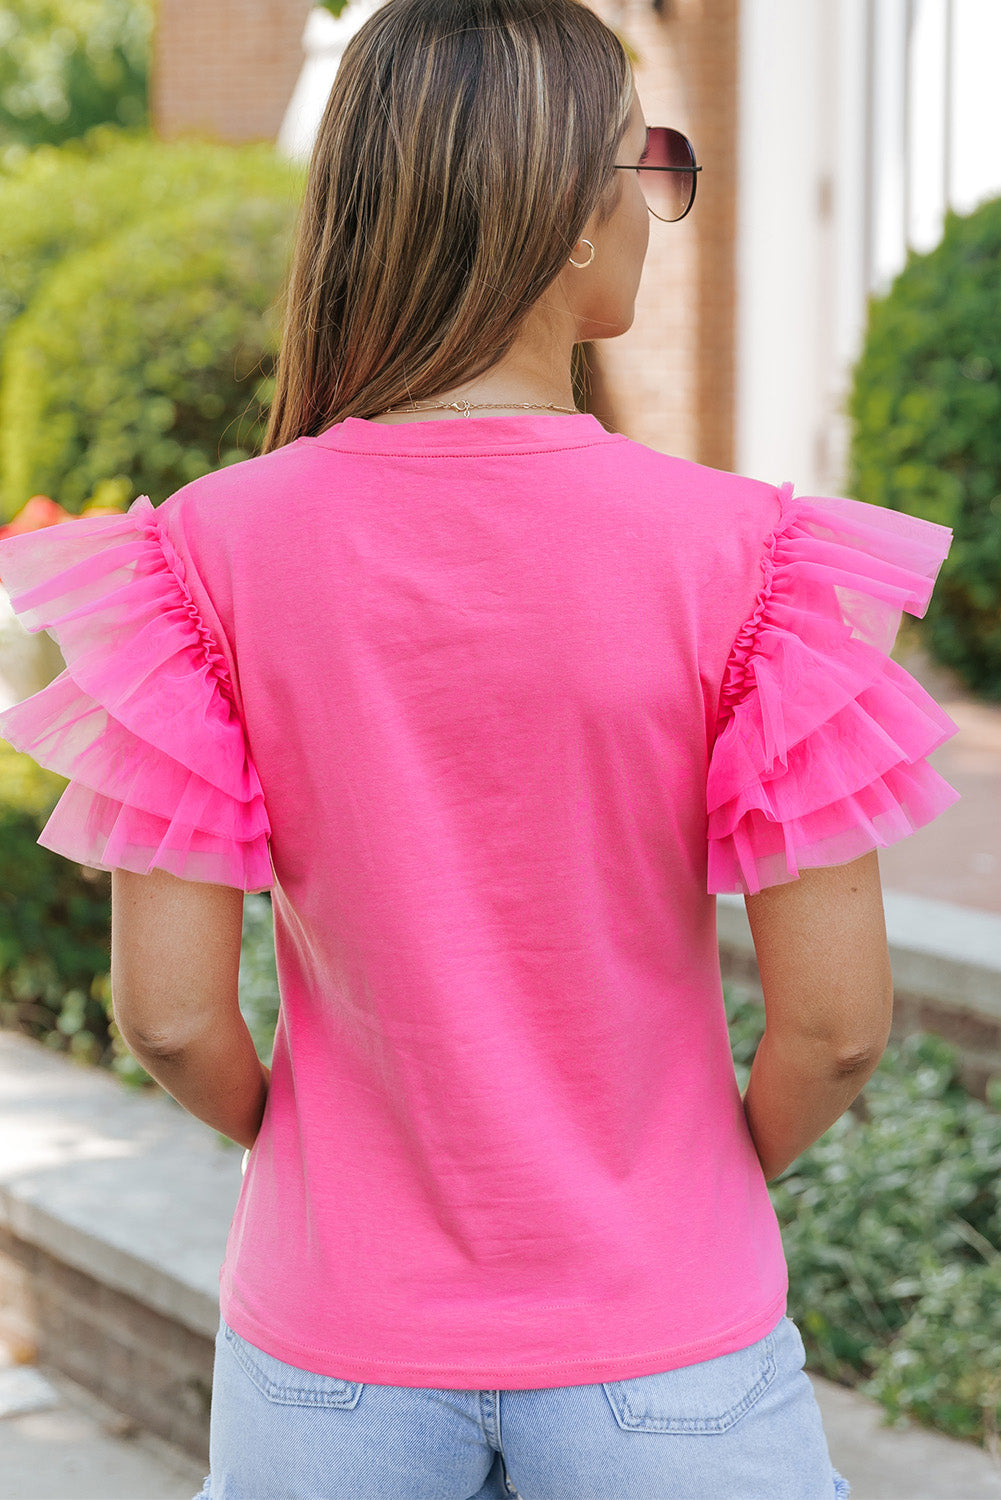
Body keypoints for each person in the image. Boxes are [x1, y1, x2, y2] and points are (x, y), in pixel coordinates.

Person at [0, 0, 961, 1495]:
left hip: (332, 1359)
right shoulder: (747, 562)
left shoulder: (201, 558)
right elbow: (832, 1025)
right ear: (569, 219)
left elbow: (174, 1015)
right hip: (666, 1349)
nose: (653, 206)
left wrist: (328, 1173)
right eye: (644, 164)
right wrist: (687, 1195)